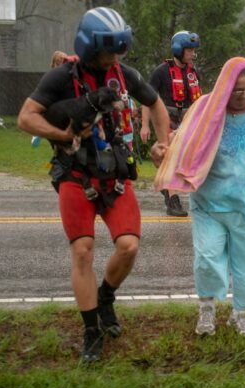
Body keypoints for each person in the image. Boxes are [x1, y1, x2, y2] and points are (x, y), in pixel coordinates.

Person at [17, 7, 170, 363]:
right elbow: (26, 117)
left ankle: (106, 297)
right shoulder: (60, 78)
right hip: (75, 175)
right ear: (88, 47)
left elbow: (157, 104)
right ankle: (91, 332)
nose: (114, 58)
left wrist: (165, 144)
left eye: (119, 50)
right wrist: (63, 134)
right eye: (108, 51)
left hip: (115, 176)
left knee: (129, 246)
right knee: (83, 249)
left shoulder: (124, 75)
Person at [154, 57, 245, 336]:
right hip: (210, 202)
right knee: (207, 258)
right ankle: (206, 311)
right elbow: (182, 140)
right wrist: (165, 151)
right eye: (238, 90)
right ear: (225, 86)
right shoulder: (205, 109)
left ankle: (240, 314)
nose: (244, 96)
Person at [140, 30, 202, 217]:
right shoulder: (161, 72)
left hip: (189, 120)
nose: (193, 54)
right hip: (166, 120)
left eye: (193, 50)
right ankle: (173, 199)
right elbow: (146, 98)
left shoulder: (193, 72)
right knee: (169, 156)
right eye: (189, 50)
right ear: (178, 50)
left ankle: (170, 189)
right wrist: (144, 125)